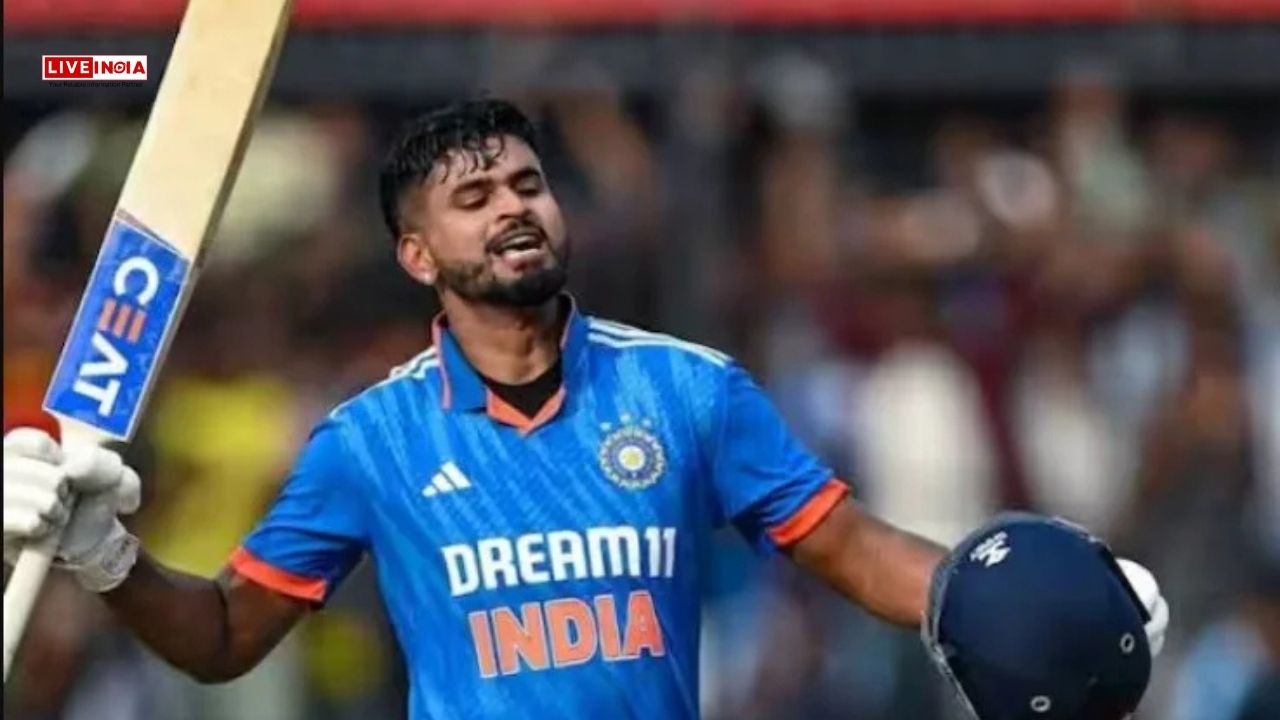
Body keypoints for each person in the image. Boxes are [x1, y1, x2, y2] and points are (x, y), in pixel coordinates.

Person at [3, 99, 1165, 719]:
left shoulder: (688, 389)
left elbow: (851, 549)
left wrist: (1023, 597)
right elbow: (221, 639)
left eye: (527, 183)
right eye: (473, 197)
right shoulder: (367, 441)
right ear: (416, 255)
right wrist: (106, 555)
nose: (512, 206)